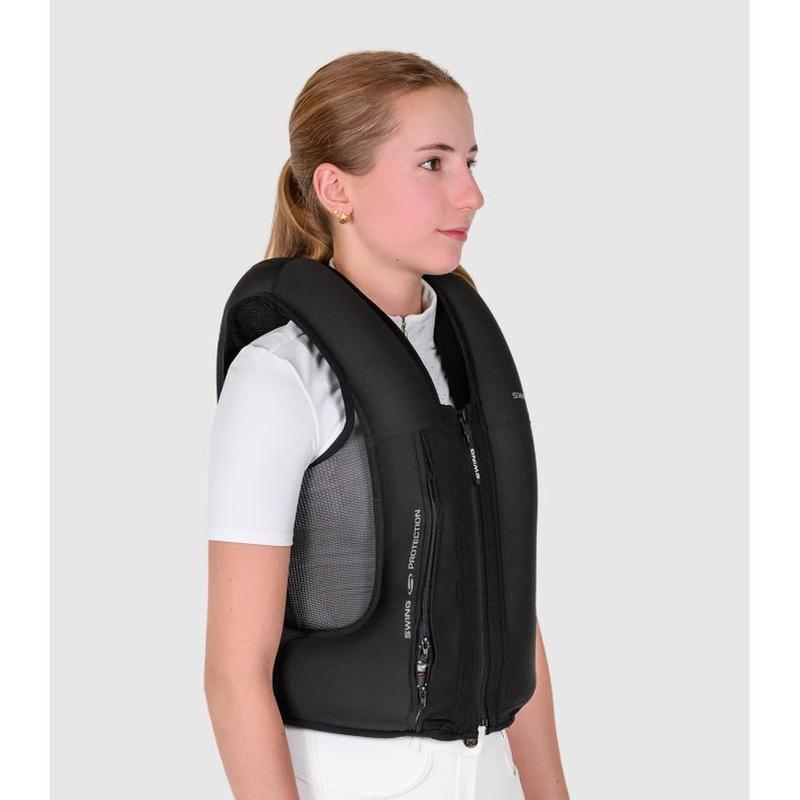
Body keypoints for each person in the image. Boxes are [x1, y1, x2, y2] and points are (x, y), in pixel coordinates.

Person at [204, 50, 570, 800]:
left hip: (487, 772)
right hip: (347, 776)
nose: (471, 194)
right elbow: (233, 674)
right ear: (336, 188)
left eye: (469, 161)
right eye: (432, 163)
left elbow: (508, 615)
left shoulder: (467, 359)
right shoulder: (279, 377)